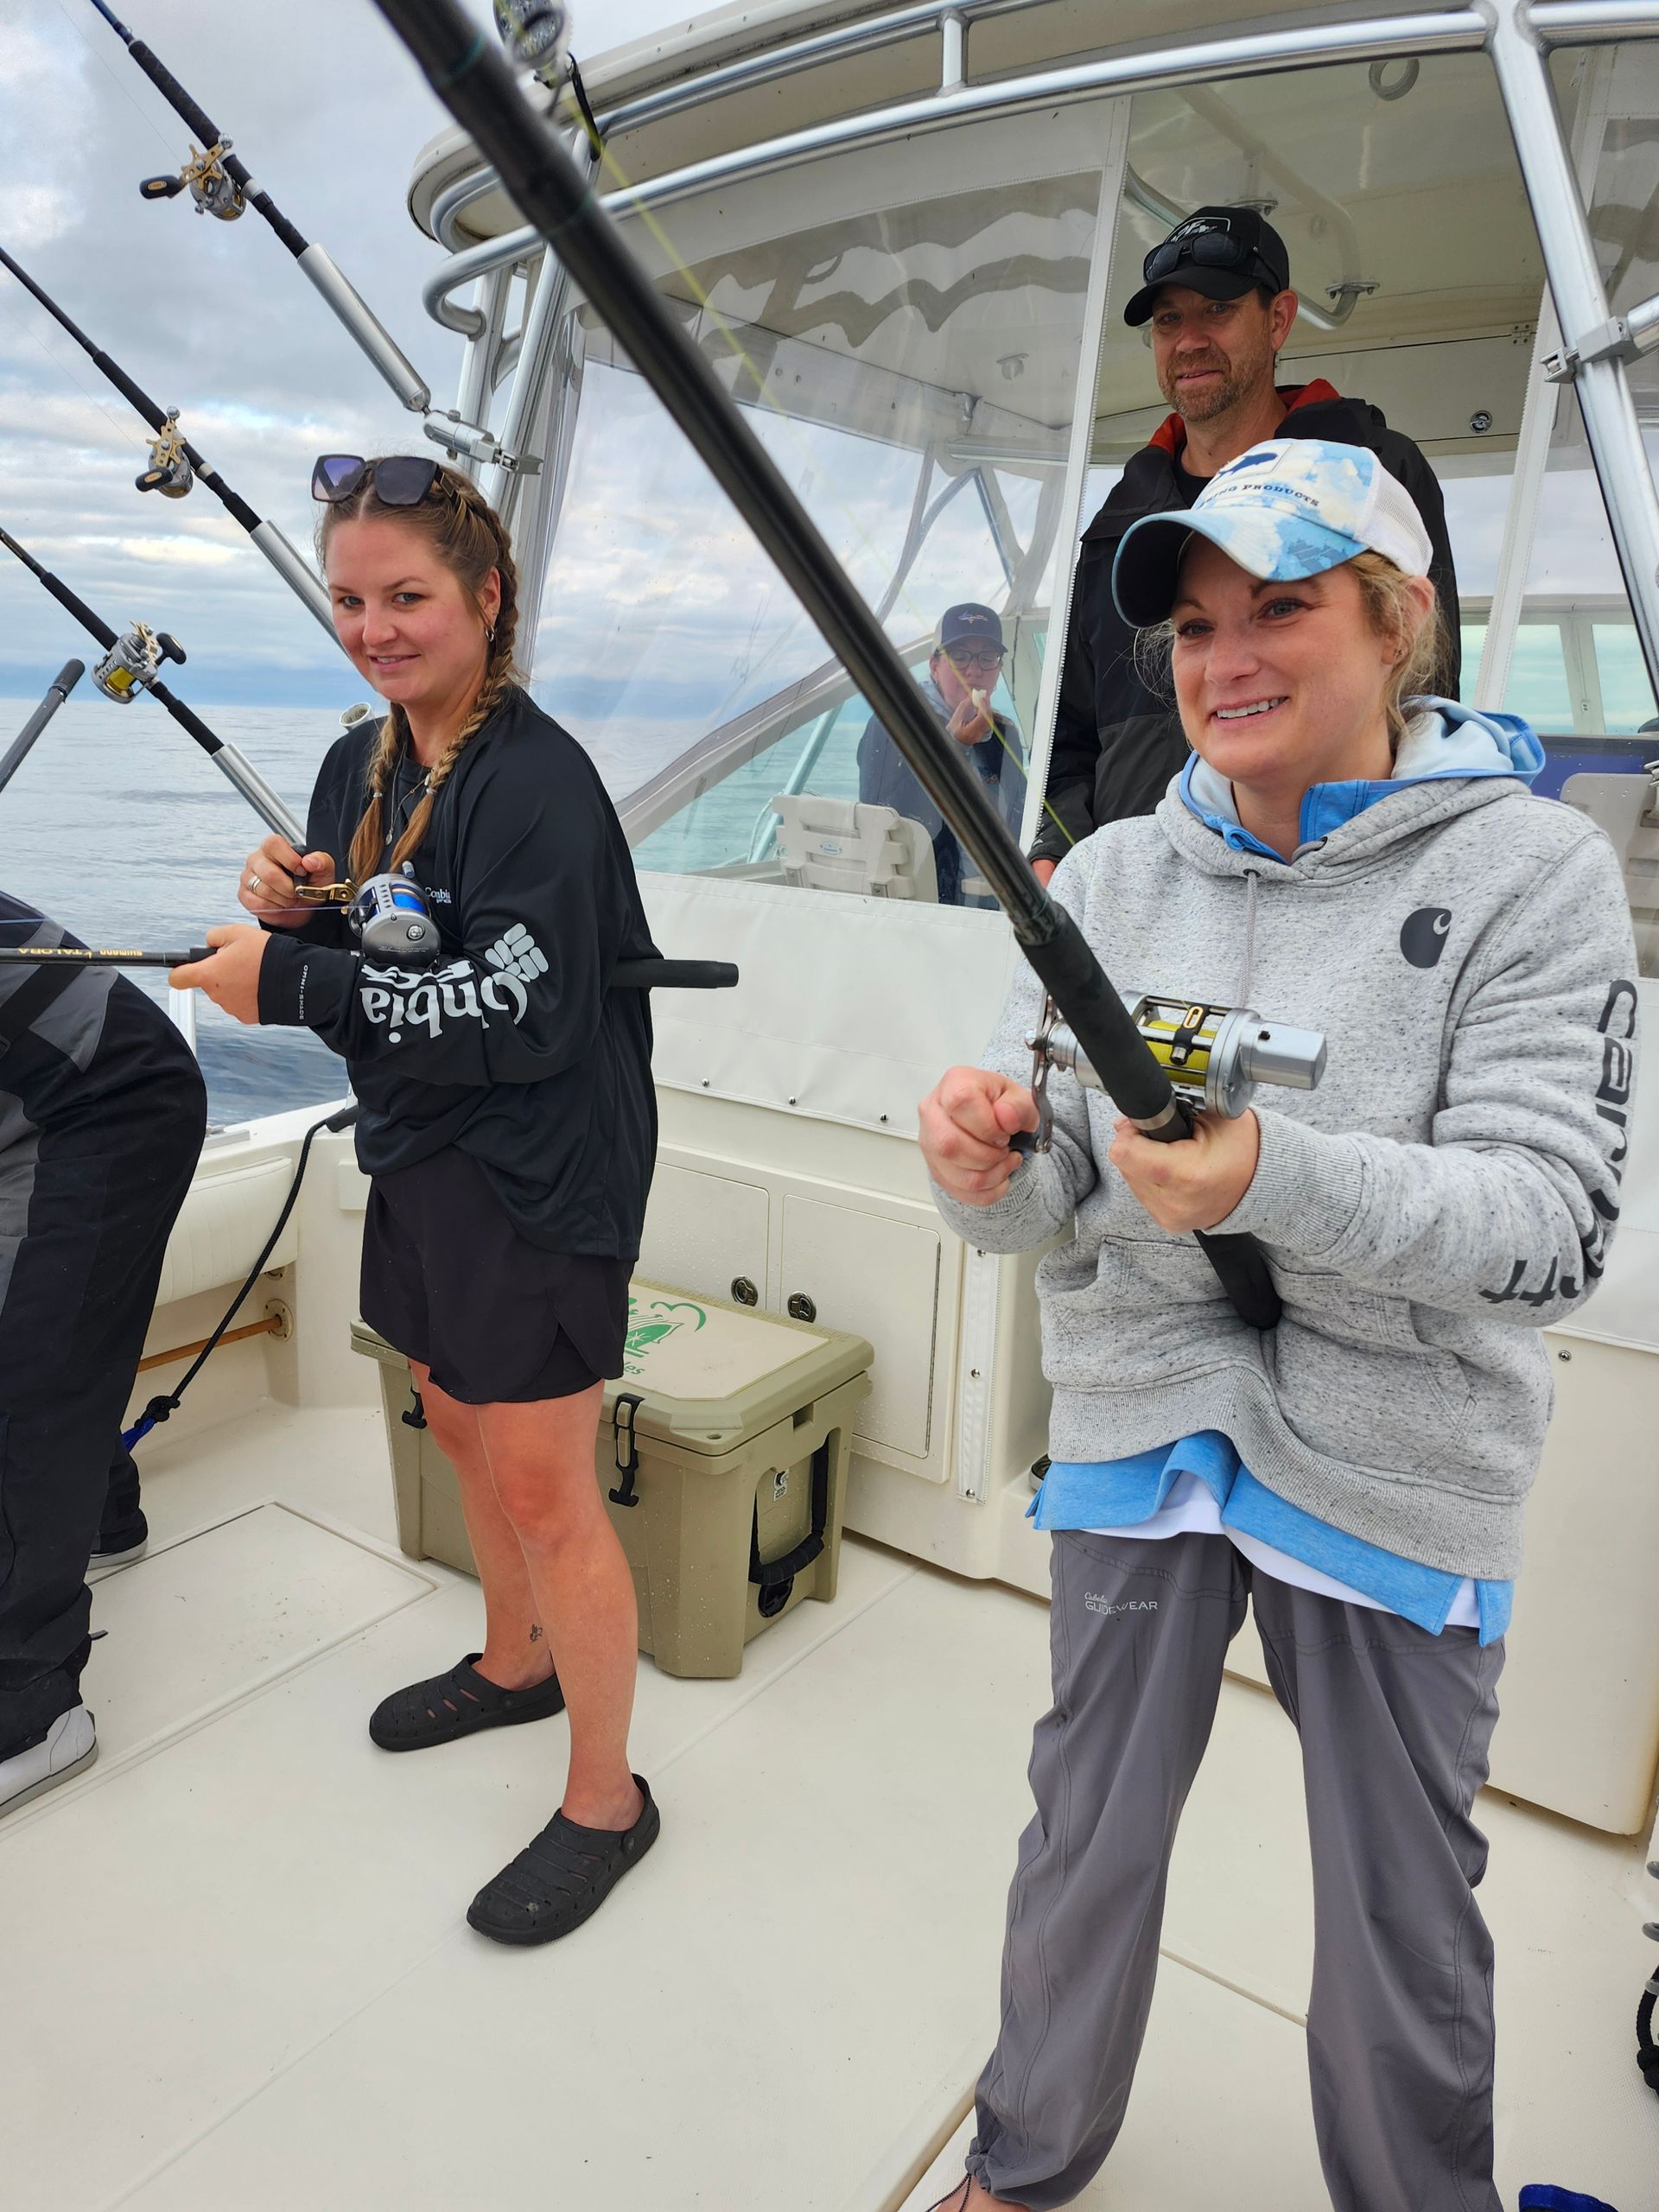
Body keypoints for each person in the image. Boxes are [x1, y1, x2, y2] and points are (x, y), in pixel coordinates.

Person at [918, 439, 1638, 2210]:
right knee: (1083, 1835)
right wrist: (985, 1166)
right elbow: (1062, 1186)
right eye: (1195, 625)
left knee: (1400, 1902)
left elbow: (1550, 1232)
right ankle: (1023, 2164)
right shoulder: (1106, 882)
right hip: (1150, 1407)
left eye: (1284, 609)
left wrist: (1266, 1179)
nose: (1226, 658)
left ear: (1399, 622)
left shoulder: (1540, 872)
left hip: (1402, 1456)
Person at [170, 454, 662, 1946]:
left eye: (408, 598)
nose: (375, 627)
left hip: (543, 1170)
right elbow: (378, 937)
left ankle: (607, 1800)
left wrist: (293, 979)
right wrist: (289, 904)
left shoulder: (540, 784)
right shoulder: (361, 760)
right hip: (426, 1150)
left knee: (543, 1482)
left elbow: (518, 1006)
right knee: (450, 1412)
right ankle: (512, 1665)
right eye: (349, 598)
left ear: (486, 599)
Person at [1030, 205, 1461, 880]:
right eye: (1169, 320)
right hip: (1134, 886)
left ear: (1279, 319)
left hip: (1326, 879)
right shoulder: (1122, 518)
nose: (1189, 340)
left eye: (1217, 310)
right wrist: (1053, 848)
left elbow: (1423, 683)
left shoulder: (1372, 468)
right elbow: (1073, 725)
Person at [0, 893, 206, 1819]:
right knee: (55, 1343)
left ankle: (32, 1717)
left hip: (106, 1107)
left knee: (25, 1381)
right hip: (36, 1100)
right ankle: (102, 1518)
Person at [857, 603, 1027, 904]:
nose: (974, 670)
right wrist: (955, 747)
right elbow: (882, 819)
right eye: (959, 656)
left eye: (988, 657)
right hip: (924, 905)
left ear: (999, 669)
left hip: (998, 906)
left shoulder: (1005, 734)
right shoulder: (893, 723)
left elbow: (1019, 818)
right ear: (935, 666)